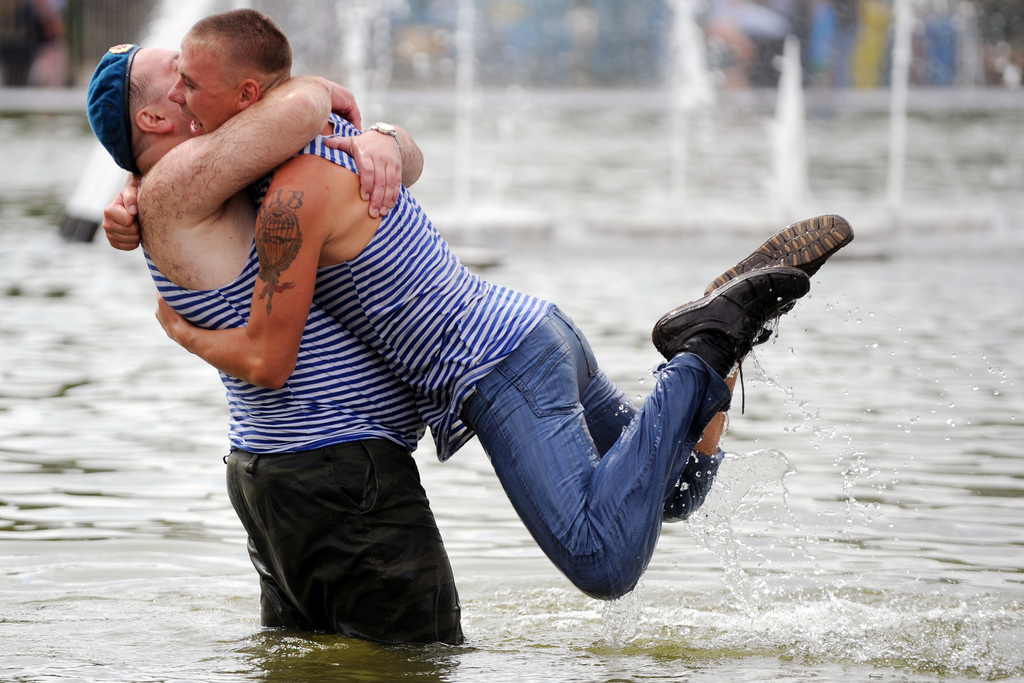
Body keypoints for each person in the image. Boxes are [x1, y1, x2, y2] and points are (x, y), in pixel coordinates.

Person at [108, 10, 853, 602]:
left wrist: (178, 326)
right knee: (678, 490)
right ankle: (723, 342)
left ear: (245, 99)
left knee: (602, 562)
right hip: (536, 328)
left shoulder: (294, 189)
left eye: (191, 87)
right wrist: (386, 139)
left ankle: (704, 348)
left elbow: (269, 351)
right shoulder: (332, 142)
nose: (183, 102)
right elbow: (251, 154)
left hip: (497, 367)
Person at [87, 38, 463, 644]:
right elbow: (301, 109)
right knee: (420, 661)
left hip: (292, 471)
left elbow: (380, 158)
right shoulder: (180, 180)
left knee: (309, 661)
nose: (197, 76)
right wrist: (315, 86)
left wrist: (383, 140)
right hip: (334, 469)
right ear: (155, 118)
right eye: (180, 75)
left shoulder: (199, 181)